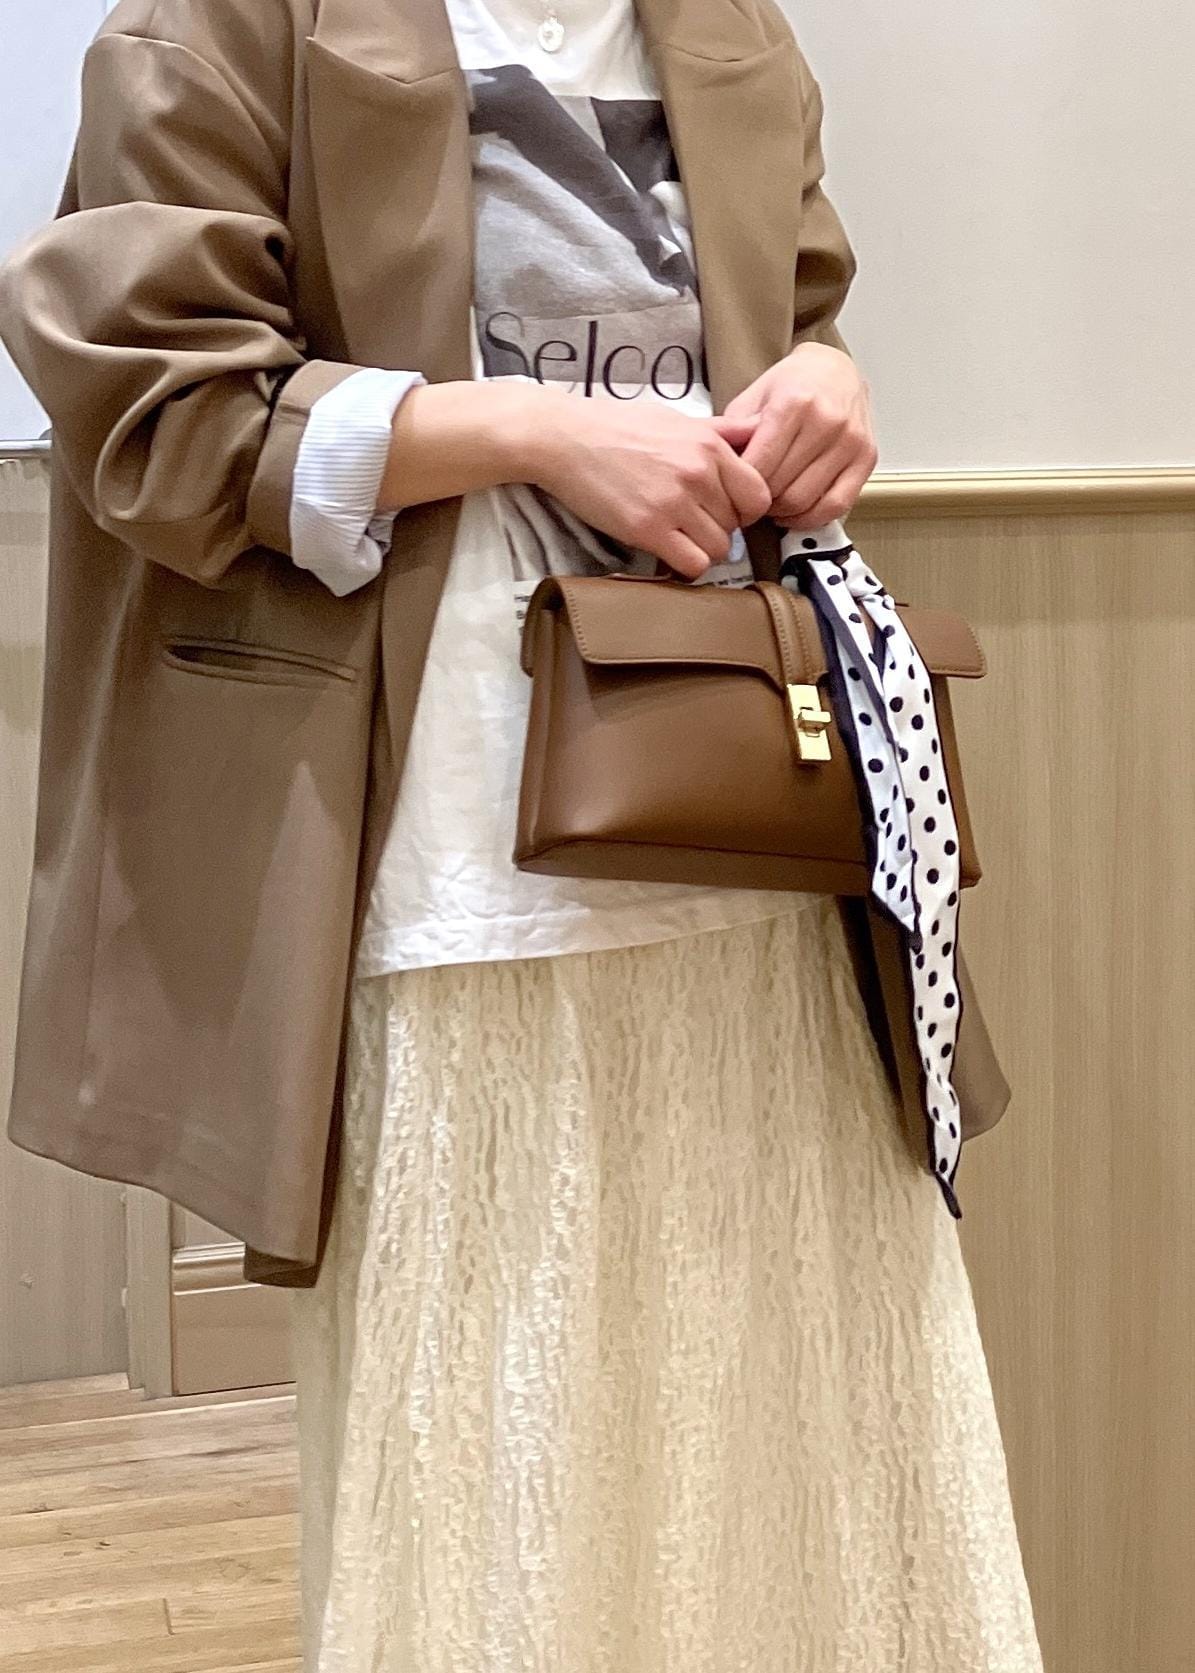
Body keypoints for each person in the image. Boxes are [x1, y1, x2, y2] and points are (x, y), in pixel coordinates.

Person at [0, 0, 1042, 1666]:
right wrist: (534, 428)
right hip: (460, 863)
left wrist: (826, 386)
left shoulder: (725, 30)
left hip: (760, 849)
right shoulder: (234, 24)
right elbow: (156, 404)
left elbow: (795, 314)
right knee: (495, 1472)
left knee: (808, 1444)